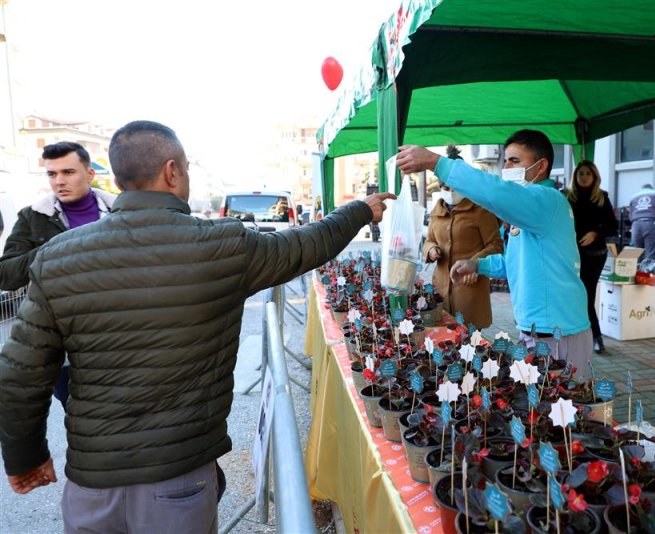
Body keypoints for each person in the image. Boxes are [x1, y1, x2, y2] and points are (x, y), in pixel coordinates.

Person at [0, 120, 393, 533]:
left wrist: (25, 457)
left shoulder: (55, 256)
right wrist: (361, 209)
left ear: (117, 178)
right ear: (172, 171)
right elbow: (308, 244)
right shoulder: (222, 245)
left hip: (91, 485)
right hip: (180, 482)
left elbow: (21, 374)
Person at [397, 130, 592, 376]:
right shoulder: (530, 211)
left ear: (541, 166)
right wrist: (477, 265)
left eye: (515, 161)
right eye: (505, 160)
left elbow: (495, 192)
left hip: (559, 332)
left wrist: (437, 163)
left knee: (565, 404)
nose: (507, 167)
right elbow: (515, 261)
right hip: (537, 330)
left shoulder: (546, 200)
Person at [0, 141, 117, 410]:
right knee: (79, 416)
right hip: (64, 346)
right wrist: (56, 248)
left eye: (68, 172)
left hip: (119, 337)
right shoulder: (33, 217)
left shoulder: (119, 212)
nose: (59, 181)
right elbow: (6, 275)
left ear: (89, 175)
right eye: (52, 174)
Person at [422, 145, 503, 329]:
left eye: (452, 186)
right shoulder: (437, 210)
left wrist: (474, 263)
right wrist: (431, 249)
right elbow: (429, 240)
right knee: (444, 343)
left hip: (470, 291)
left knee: (469, 345)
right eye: (443, 186)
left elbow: (496, 246)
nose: (448, 191)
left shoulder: (481, 209)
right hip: (441, 289)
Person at [566, 161, 618, 354]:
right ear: (575, 176)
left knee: (586, 296)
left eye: (588, 173)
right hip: (572, 254)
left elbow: (613, 226)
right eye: (581, 173)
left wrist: (596, 233)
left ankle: (596, 337)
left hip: (595, 255)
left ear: (594, 176)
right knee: (574, 295)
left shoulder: (601, 198)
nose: (584, 177)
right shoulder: (568, 197)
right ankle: (579, 334)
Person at [628, 183, 655, 260]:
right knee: (650, 252)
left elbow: (630, 215)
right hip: (651, 224)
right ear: (651, 189)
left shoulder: (634, 196)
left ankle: (636, 270)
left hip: (636, 224)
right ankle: (648, 270)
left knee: (635, 252)